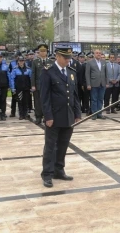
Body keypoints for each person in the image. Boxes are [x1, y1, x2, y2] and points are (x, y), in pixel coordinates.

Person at [40, 45, 81, 188]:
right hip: (54, 116)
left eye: (69, 58)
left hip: (68, 116)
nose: (68, 60)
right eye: (65, 58)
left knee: (63, 145)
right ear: (57, 56)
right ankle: (47, 174)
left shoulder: (71, 72)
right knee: (51, 146)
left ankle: (59, 170)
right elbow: (44, 97)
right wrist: (48, 116)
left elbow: (74, 95)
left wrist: (77, 113)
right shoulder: (48, 72)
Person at [31, 44, 54, 124]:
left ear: (47, 52)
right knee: (37, 102)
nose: (43, 53)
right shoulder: (35, 61)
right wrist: (33, 85)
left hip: (48, 85)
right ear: (39, 52)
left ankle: (46, 116)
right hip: (38, 85)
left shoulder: (51, 61)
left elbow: (53, 74)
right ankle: (38, 117)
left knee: (47, 101)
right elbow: (33, 74)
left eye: (44, 51)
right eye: (41, 51)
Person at [85, 49, 108, 120]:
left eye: (99, 53)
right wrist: (88, 84)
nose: (98, 54)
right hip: (93, 83)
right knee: (94, 99)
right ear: (94, 54)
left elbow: (106, 73)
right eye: (97, 53)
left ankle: (99, 113)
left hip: (102, 84)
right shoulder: (89, 62)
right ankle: (94, 114)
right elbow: (87, 74)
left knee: (100, 99)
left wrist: (107, 83)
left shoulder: (104, 62)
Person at [10, 56, 32, 120]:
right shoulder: (15, 69)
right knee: (20, 101)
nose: (21, 62)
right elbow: (12, 79)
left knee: (26, 101)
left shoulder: (28, 69)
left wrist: (31, 88)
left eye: (22, 61)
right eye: (20, 61)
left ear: (24, 61)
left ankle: (25, 114)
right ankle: (21, 115)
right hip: (18, 88)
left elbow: (31, 79)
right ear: (18, 62)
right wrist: (13, 88)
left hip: (26, 88)